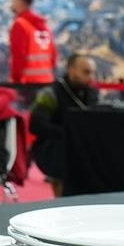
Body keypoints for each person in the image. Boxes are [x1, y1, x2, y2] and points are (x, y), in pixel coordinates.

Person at [28, 53, 99, 196]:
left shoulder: (92, 93)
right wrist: (68, 133)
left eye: (93, 73)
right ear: (72, 70)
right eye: (86, 72)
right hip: (54, 148)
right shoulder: (50, 93)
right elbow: (36, 125)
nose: (91, 77)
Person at [8, 0, 57, 84]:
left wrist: (16, 78)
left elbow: (18, 54)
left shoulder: (20, 24)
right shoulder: (44, 25)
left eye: (13, 1)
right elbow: (53, 54)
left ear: (21, 2)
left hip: (27, 82)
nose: (11, 4)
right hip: (47, 79)